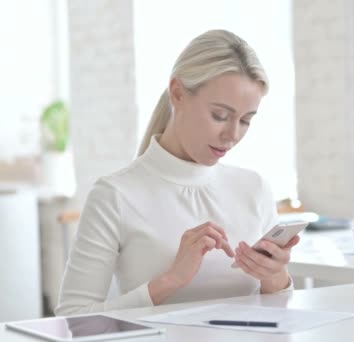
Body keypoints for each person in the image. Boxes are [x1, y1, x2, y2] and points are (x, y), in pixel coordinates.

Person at [55, 29, 298, 315]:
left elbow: (280, 314)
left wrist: (274, 275)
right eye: (220, 115)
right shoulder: (115, 195)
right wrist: (170, 280)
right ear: (178, 93)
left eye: (245, 120)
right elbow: (72, 319)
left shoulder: (254, 188)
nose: (232, 134)